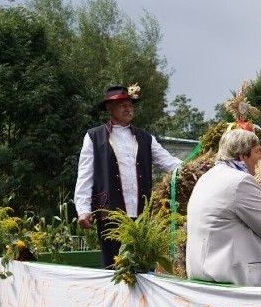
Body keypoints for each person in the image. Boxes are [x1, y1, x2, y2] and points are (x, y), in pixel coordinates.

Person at [74, 84, 182, 268]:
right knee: (114, 268)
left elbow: (169, 163)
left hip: (141, 215)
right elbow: (85, 176)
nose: (128, 108)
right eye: (122, 105)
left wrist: (198, 166)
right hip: (110, 214)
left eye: (130, 105)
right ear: (109, 109)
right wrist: (83, 210)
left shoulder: (146, 138)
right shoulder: (94, 137)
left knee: (142, 266)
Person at [185, 128, 261, 288]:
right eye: (256, 151)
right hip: (233, 278)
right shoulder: (241, 181)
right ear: (242, 155)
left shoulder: (205, 178)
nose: (260, 156)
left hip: (201, 270)